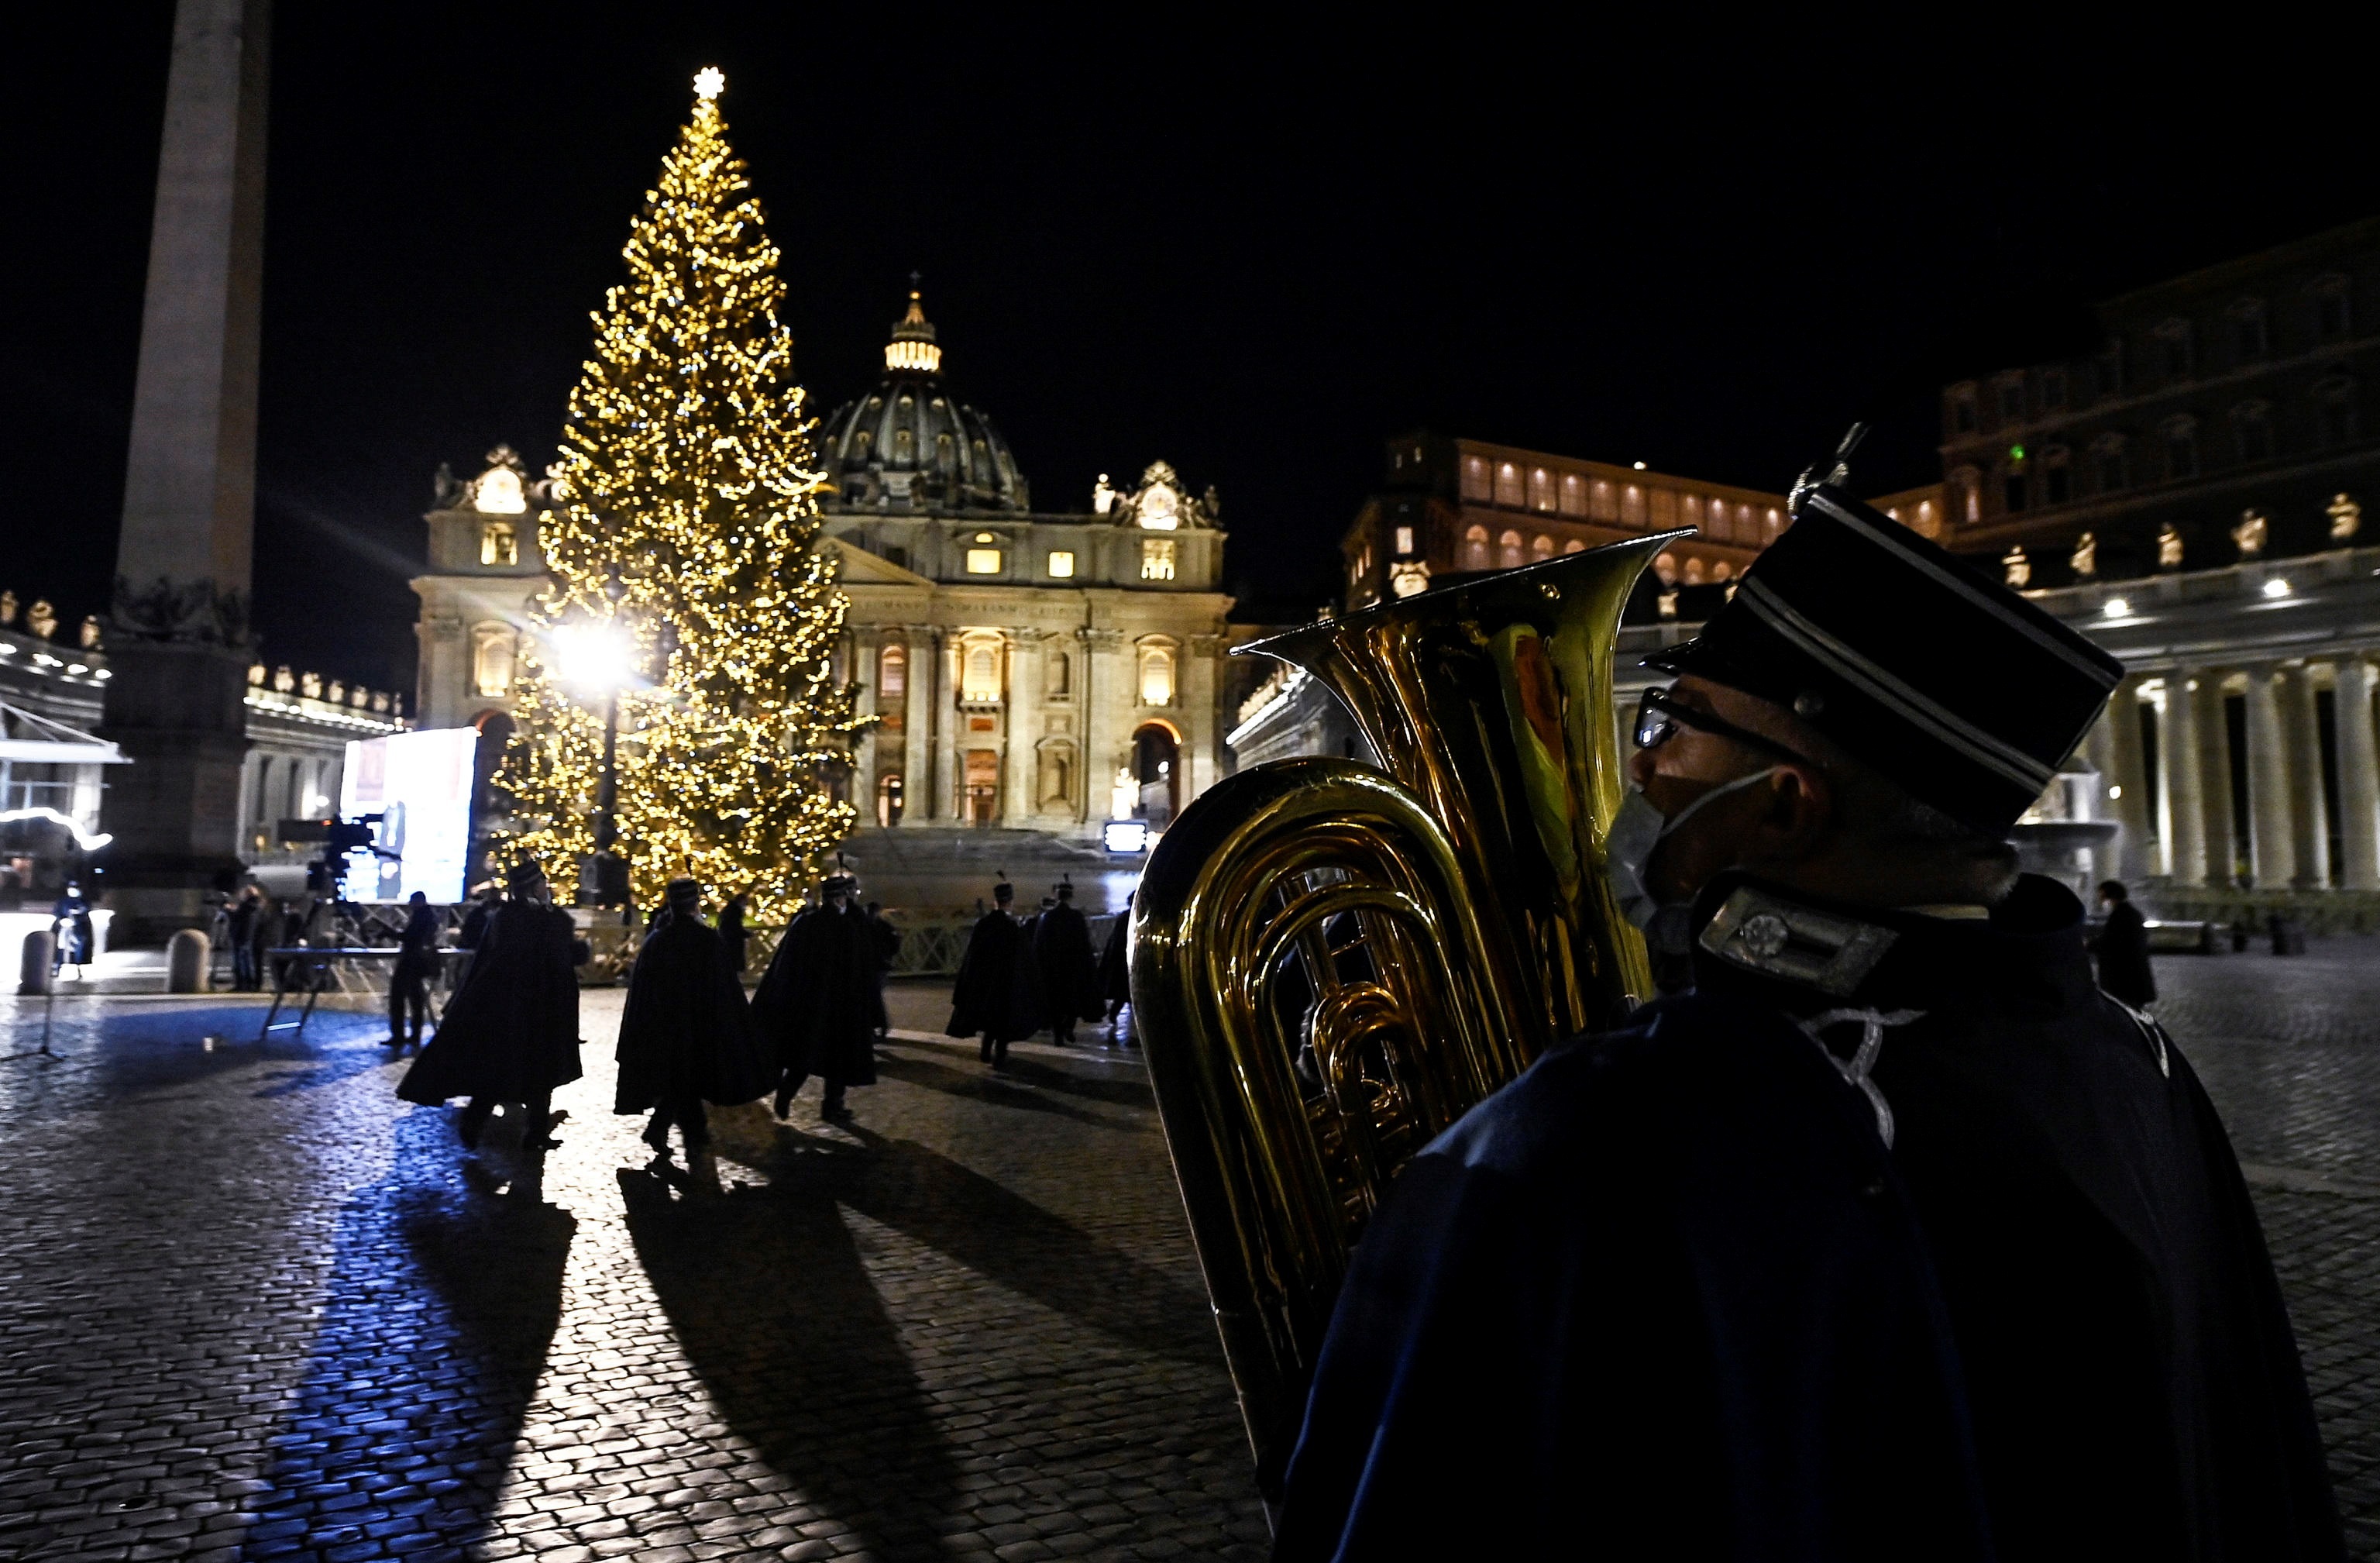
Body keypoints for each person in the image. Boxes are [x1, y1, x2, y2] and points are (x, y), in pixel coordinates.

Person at [1271, 477, 2342, 1560]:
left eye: (1672, 726)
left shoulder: (1614, 1134)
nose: (1639, 765)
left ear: (1786, 804)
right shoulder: (2148, 1072)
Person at [397, 861, 584, 1154]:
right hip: (524, 1011)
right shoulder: (529, 919)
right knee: (512, 1072)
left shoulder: (510, 917)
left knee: (533, 1074)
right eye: (542, 883)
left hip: (524, 1009)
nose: (546, 888)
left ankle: (531, 1132)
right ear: (532, 887)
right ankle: (477, 1123)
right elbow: (549, 957)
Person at [614, 877, 772, 1161]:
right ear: (694, 904)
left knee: (682, 1080)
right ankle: (687, 1134)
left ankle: (672, 1131)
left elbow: (644, 991)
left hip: (666, 1026)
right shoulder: (706, 939)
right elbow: (723, 986)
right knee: (689, 1079)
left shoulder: (658, 940)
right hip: (699, 1024)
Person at [753, 874, 877, 1121]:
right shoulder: (846, 927)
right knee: (837, 1060)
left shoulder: (807, 923)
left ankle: (787, 1094)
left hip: (810, 1003)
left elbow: (789, 963)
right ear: (841, 898)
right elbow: (861, 957)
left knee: (805, 1054)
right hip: (840, 1005)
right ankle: (832, 1105)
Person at [948, 880, 1040, 1066]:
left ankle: (985, 1050)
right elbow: (1023, 958)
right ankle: (1000, 1054)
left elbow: (973, 955)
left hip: (984, 980)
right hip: (1006, 981)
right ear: (1010, 902)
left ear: (995, 901)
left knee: (989, 1017)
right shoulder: (1013, 927)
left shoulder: (983, 924)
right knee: (1003, 1020)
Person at [1031, 878, 1102, 1048]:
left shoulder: (1046, 917)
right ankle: (1068, 1029)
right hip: (1072, 968)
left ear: (1056, 896)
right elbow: (1085, 945)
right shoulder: (1076, 917)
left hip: (1053, 970)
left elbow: (1039, 946)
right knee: (1072, 1003)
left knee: (1055, 1004)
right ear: (1070, 897)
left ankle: (1058, 1035)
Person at [2091, 878, 2157, 1009]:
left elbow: (2112, 942)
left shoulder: (2121, 915)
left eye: (2102, 895)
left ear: (2109, 896)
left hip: (2124, 980)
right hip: (2132, 979)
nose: (2100, 899)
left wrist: (2089, 945)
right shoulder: (2130, 913)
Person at [387, 890, 441, 1050]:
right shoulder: (429, 917)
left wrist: (391, 933)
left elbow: (410, 937)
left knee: (399, 997)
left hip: (411, 963)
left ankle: (399, 1034)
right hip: (419, 964)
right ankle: (414, 1034)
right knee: (416, 1000)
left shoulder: (421, 917)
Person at [1097, 890, 1133, 1042]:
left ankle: (1113, 1015)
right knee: (1127, 995)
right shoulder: (1130, 918)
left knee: (1123, 995)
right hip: (1127, 963)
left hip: (1121, 963)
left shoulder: (1123, 917)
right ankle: (1127, 1029)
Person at [864, 900, 902, 1041]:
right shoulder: (883, 926)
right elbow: (895, 941)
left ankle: (876, 1027)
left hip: (874, 965)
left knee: (874, 997)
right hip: (879, 965)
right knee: (876, 997)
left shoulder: (867, 926)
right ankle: (879, 1027)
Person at [50, 882, 94, 979]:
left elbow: (85, 911)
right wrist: (62, 920)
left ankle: (79, 969)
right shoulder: (63, 901)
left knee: (79, 950)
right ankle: (58, 968)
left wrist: (79, 913)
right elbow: (57, 912)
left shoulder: (83, 901)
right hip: (65, 929)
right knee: (61, 948)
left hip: (79, 930)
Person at [227, 888, 261, 991]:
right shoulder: (256, 907)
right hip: (249, 936)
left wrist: (229, 910)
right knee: (247, 961)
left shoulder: (245, 906)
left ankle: (241, 984)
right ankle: (250, 984)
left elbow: (236, 917)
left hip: (240, 935)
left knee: (240, 961)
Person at [717, 892, 751, 976]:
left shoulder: (728, 910)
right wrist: (747, 934)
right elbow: (736, 928)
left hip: (727, 941)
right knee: (734, 965)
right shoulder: (735, 912)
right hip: (734, 943)